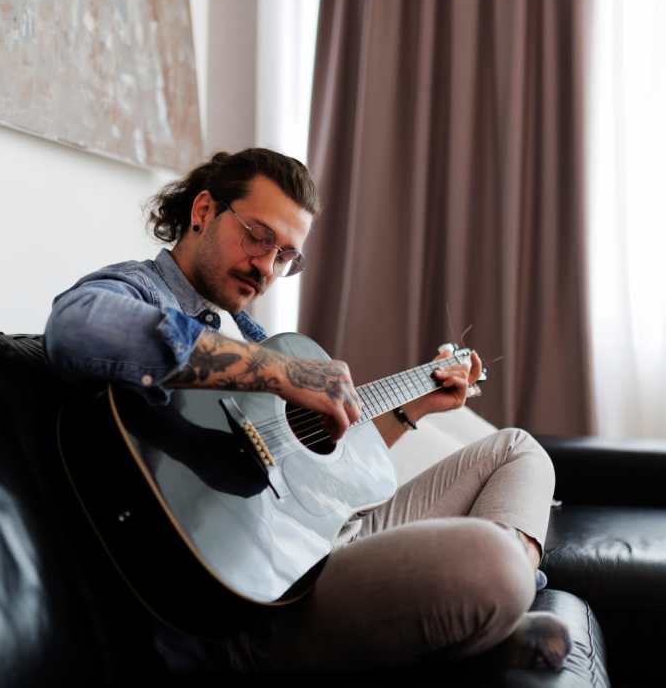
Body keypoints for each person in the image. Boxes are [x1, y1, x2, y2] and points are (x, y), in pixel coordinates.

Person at [44, 148, 571, 674]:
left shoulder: (249, 332)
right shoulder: (143, 290)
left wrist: (410, 410)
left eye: (286, 257)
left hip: (320, 548)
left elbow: (322, 476)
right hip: (257, 604)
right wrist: (285, 373)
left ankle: (502, 608)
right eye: (258, 236)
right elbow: (80, 326)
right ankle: (497, 606)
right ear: (203, 211)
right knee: (491, 560)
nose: (267, 268)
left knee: (518, 450)